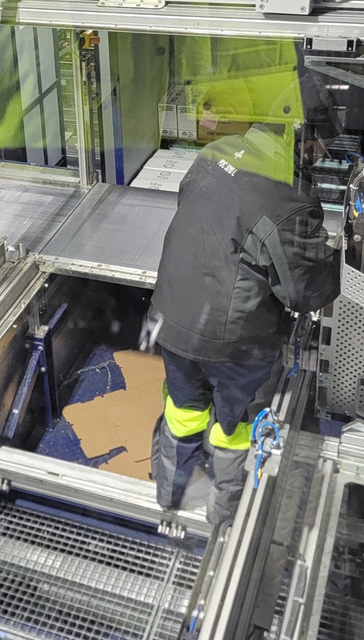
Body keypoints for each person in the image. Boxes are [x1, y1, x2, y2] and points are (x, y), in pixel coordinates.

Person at [145, 75, 342, 524]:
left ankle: (168, 499)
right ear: (302, 135)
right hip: (234, 344)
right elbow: (306, 292)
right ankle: (223, 518)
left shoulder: (213, 155)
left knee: (182, 413)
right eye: (320, 146)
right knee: (232, 427)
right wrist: (337, 253)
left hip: (171, 319)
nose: (320, 156)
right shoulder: (289, 197)